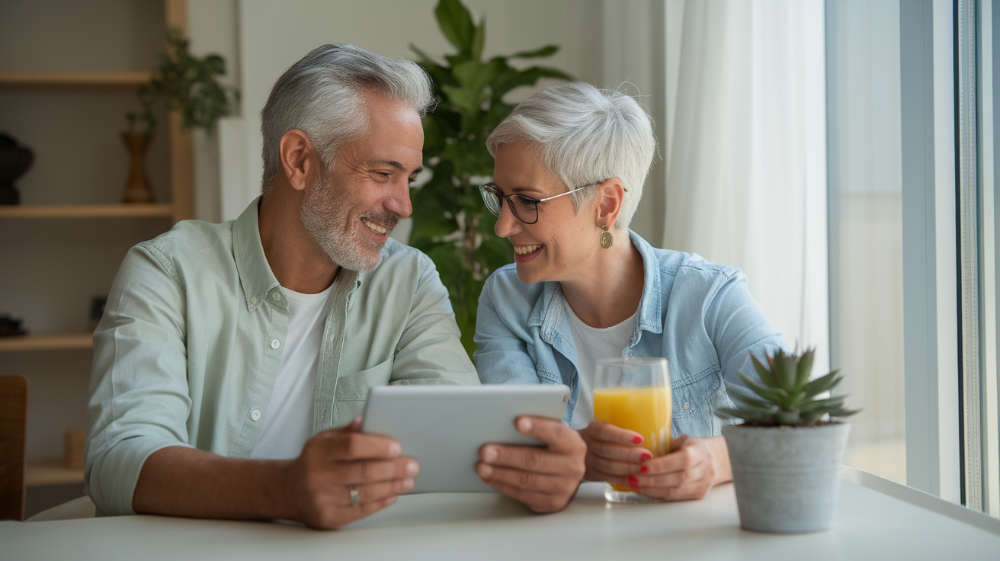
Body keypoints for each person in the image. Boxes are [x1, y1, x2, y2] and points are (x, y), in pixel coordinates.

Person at [86, 44, 584, 530]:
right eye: (382, 173)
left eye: (409, 178)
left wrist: (549, 469)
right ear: (300, 160)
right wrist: (283, 489)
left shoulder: (407, 282)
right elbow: (119, 460)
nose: (403, 206)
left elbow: (456, 448)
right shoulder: (167, 272)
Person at [474, 82, 785, 501]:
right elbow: (514, 448)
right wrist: (581, 453)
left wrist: (716, 462)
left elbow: (799, 418)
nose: (502, 227)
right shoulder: (506, 300)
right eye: (500, 198)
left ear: (606, 205)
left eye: (528, 201)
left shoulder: (710, 295)